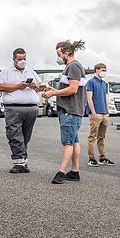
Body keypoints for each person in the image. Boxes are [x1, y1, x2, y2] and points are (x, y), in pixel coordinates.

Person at [43, 39, 87, 184]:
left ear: (66, 53)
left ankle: (61, 172)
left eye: (59, 54)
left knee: (68, 142)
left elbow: (73, 89)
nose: (58, 57)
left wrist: (53, 94)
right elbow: (70, 88)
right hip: (72, 109)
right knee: (74, 141)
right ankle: (74, 171)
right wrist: (55, 90)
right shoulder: (73, 66)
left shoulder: (73, 67)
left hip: (70, 110)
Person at [0, 48, 46, 173]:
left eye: (24, 58)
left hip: (31, 108)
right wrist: (18, 86)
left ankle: (23, 161)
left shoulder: (31, 71)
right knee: (14, 135)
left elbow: (40, 87)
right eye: (19, 59)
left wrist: (35, 86)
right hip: (14, 108)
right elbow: (0, 86)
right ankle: (18, 162)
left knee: (25, 137)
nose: (22, 61)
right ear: (14, 59)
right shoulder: (6, 72)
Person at [86, 63, 115, 167]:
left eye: (105, 70)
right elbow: (89, 98)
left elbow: (106, 98)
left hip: (104, 113)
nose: (104, 72)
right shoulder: (90, 82)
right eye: (103, 70)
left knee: (101, 137)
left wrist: (107, 111)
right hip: (96, 113)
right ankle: (91, 158)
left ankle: (102, 157)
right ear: (97, 70)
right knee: (92, 136)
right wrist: (93, 113)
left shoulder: (104, 83)